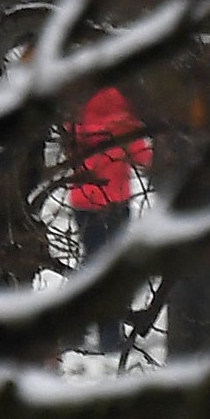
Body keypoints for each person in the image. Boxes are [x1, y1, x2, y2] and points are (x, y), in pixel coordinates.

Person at [68, 87, 149, 352]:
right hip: (115, 202)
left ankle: (72, 328)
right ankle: (110, 336)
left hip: (82, 201)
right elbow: (144, 157)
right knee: (113, 271)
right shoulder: (123, 120)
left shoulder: (76, 116)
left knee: (90, 265)